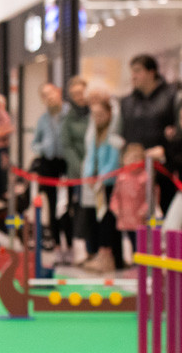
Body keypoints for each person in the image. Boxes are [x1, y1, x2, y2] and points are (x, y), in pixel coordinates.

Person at [119, 54, 182, 216]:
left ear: (151, 72)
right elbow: (124, 135)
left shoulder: (172, 97)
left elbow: (177, 133)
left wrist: (166, 152)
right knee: (139, 219)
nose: (133, 76)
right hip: (136, 172)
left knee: (167, 219)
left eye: (138, 71)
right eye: (132, 72)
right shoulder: (127, 102)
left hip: (165, 172)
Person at [80, 97, 123, 272]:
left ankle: (110, 258)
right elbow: (91, 157)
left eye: (101, 114)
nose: (97, 118)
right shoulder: (94, 135)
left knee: (109, 221)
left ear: (109, 114)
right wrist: (89, 175)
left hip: (110, 183)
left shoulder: (113, 135)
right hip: (97, 185)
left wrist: (102, 178)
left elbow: (113, 162)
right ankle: (103, 255)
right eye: (95, 115)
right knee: (99, 219)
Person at [30, 82, 67, 252]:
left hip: (67, 163)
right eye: (44, 95)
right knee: (52, 205)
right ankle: (56, 243)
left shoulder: (68, 114)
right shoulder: (43, 119)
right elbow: (34, 144)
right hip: (48, 165)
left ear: (58, 92)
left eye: (51, 93)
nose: (49, 97)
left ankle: (70, 244)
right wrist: (43, 147)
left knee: (67, 205)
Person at [107, 142, 153, 273]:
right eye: (131, 158)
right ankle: (134, 264)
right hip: (125, 216)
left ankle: (141, 266)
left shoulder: (145, 177)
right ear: (124, 160)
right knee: (130, 240)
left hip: (139, 217)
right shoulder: (122, 176)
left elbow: (151, 197)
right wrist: (115, 207)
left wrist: (145, 210)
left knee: (140, 242)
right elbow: (115, 195)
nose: (133, 162)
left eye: (137, 158)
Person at [60, 76, 90, 259]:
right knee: (77, 209)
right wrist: (80, 167)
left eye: (81, 92)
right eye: (74, 94)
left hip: (98, 170)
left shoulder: (95, 112)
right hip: (77, 172)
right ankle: (78, 248)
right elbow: (67, 145)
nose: (79, 97)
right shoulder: (68, 117)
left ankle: (94, 249)